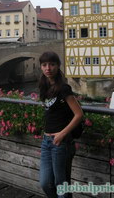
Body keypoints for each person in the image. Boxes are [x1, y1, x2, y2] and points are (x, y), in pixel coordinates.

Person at [39, 51, 83, 198]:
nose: (48, 68)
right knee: (45, 183)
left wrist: (62, 134)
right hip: (46, 141)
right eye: (44, 65)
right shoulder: (44, 88)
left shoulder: (64, 88)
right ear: (41, 67)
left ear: (58, 66)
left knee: (61, 184)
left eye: (52, 64)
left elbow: (79, 114)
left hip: (61, 142)